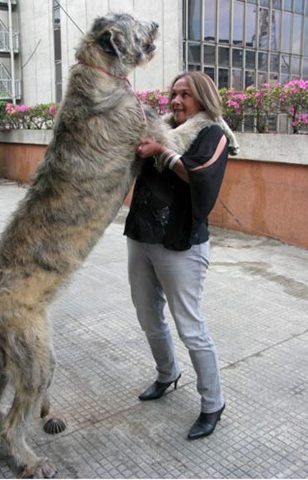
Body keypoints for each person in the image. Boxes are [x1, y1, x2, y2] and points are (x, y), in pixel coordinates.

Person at [124, 71, 238, 439]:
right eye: (173, 93)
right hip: (141, 236)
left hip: (181, 243)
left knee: (190, 326)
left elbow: (200, 173)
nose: (176, 100)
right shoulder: (160, 128)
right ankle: (167, 374)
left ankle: (212, 403)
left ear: (203, 98)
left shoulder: (212, 135)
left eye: (185, 94)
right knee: (147, 314)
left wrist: (163, 152)